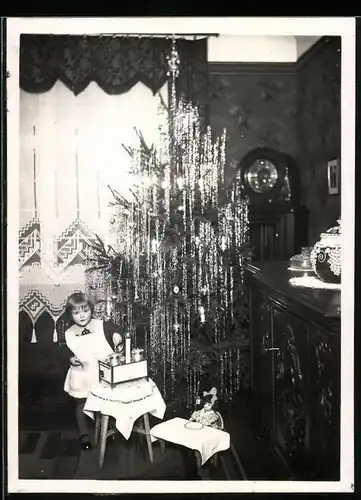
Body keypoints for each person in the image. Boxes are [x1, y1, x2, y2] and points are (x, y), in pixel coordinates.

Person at [62, 291, 124, 451]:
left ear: (91, 310)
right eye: (76, 313)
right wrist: (69, 358)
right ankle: (83, 434)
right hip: (81, 373)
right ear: (70, 314)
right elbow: (62, 350)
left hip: (100, 372)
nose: (81, 316)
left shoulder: (102, 325)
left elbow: (116, 331)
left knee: (105, 401)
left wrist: (117, 336)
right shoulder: (68, 333)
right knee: (81, 404)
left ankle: (107, 431)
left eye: (85, 311)